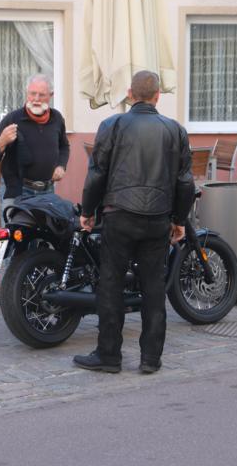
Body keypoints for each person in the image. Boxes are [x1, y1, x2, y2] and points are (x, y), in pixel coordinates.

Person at [73, 70, 195, 374]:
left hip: (119, 215)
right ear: (157, 96)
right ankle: (150, 358)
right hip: (157, 218)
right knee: (153, 287)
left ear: (130, 94)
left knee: (110, 285)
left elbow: (97, 173)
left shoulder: (112, 125)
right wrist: (179, 219)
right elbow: (185, 182)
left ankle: (109, 355)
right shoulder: (175, 130)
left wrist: (87, 211)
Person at [0, 73, 70, 218]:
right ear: (27, 93)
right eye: (32, 93)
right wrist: (2, 142)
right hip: (17, 191)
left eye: (41, 95)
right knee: (14, 231)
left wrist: (61, 166)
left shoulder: (57, 118)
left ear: (51, 95)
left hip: (46, 191)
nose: (36, 99)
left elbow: (64, 146)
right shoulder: (13, 119)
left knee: (44, 231)